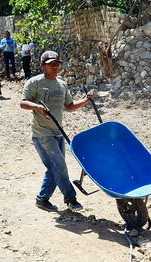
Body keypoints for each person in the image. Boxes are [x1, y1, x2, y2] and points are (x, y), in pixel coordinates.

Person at [19, 51, 94, 212]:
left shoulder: (61, 84)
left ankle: (42, 199)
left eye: (57, 64)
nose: (55, 67)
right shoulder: (35, 83)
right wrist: (38, 107)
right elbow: (23, 103)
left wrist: (86, 100)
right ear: (42, 65)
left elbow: (70, 106)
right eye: (51, 64)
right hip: (42, 133)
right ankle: (71, 199)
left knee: (54, 167)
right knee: (60, 165)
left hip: (58, 132)